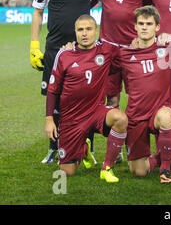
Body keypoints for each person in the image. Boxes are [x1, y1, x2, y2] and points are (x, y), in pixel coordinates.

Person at [30, 0, 101, 165]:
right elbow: (38, 12)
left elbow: (100, 2)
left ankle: (87, 147)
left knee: (86, 97)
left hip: (84, 49)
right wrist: (34, 45)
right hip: (55, 50)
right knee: (56, 97)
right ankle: (54, 148)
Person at [45, 14, 128, 182]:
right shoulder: (64, 54)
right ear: (75, 32)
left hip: (96, 111)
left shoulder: (106, 49)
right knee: (68, 171)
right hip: (70, 118)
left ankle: (107, 168)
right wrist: (49, 120)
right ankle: (84, 149)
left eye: (89, 29)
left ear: (96, 31)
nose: (84, 33)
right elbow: (52, 89)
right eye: (80, 29)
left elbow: (128, 52)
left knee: (121, 119)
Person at [111, 6, 171, 184]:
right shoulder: (124, 53)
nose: (145, 27)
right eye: (141, 23)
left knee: (165, 116)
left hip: (160, 111)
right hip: (135, 115)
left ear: (157, 27)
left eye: (149, 24)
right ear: (135, 27)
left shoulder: (169, 49)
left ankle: (166, 169)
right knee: (138, 171)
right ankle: (161, 155)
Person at [99, 0, 152, 110]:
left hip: (133, 45)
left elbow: (151, 8)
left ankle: (133, 135)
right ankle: (114, 136)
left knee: (137, 99)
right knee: (111, 99)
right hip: (108, 45)